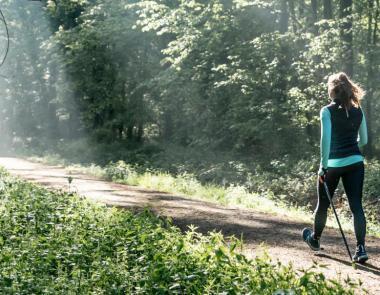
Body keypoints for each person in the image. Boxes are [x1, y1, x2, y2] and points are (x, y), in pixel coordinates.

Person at [302, 72, 369, 263]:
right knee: (357, 206)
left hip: (332, 165)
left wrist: (323, 166)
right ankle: (361, 248)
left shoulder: (326, 111)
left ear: (332, 91)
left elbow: (326, 141)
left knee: (323, 204)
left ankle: (314, 239)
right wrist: (351, 145)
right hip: (356, 162)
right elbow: (363, 140)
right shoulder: (359, 110)